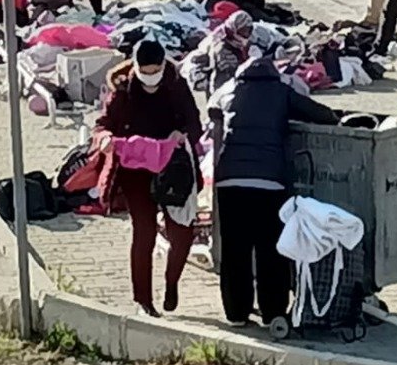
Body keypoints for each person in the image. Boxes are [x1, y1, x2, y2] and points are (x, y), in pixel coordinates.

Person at [209, 55, 338, 327]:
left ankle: (236, 313)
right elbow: (323, 115)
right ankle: (273, 313)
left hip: (229, 180)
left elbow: (211, 108)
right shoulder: (281, 92)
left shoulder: (229, 90)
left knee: (235, 250)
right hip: (269, 181)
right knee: (270, 249)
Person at [94, 40, 203, 318]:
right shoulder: (122, 89)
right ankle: (142, 298)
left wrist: (182, 135)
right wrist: (105, 139)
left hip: (173, 170)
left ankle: (171, 281)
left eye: (156, 70)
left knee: (182, 232)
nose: (151, 77)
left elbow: (194, 121)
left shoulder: (176, 84)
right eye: (146, 71)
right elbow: (102, 124)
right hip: (135, 173)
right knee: (144, 233)